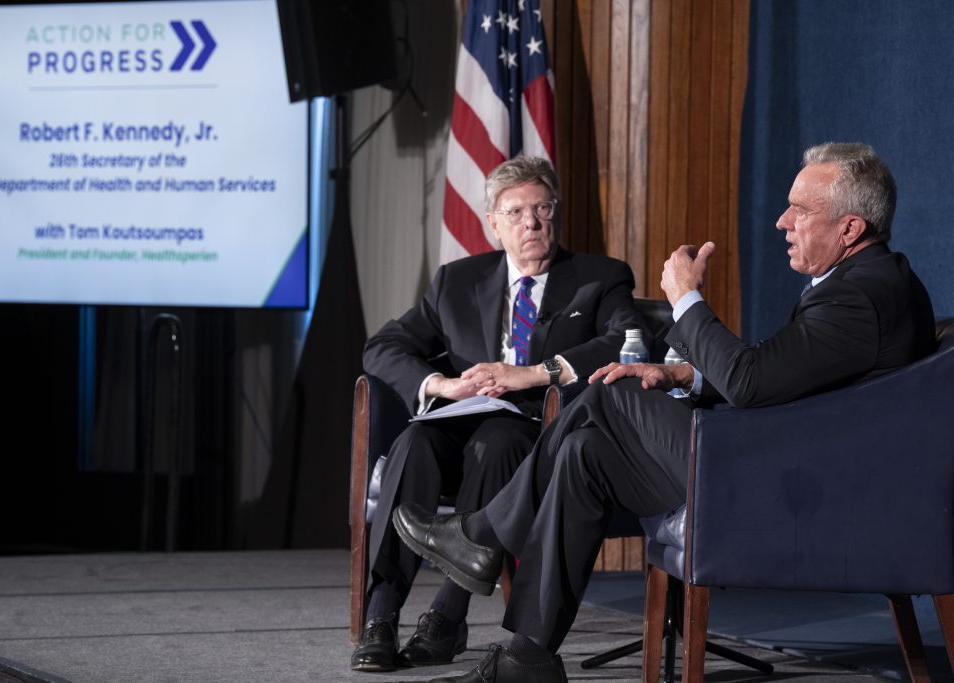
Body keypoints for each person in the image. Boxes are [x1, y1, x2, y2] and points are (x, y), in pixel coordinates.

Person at [393, 142, 936, 682]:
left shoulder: (858, 296)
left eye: (802, 209)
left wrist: (685, 300)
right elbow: (783, 376)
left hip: (794, 489)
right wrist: (683, 374)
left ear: (850, 229)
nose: (782, 221)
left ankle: (484, 535)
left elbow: (750, 382)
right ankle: (527, 656)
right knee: (586, 452)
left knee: (608, 397)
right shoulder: (863, 283)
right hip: (783, 461)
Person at [352, 155, 650, 672]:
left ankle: (447, 616)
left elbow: (631, 340)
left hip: (536, 431)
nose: (531, 222)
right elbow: (383, 346)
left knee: (497, 441)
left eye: (541, 209)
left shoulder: (598, 278)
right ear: (493, 223)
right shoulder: (456, 283)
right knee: (413, 445)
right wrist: (440, 384)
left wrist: (537, 373)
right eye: (515, 213)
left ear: (555, 213)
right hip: (460, 419)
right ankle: (380, 617)